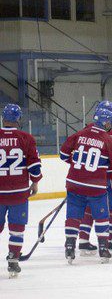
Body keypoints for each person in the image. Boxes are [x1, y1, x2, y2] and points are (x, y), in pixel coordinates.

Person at [60, 108, 112, 264]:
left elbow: (63, 154)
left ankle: (70, 246)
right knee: (101, 216)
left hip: (74, 183)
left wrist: (80, 167)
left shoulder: (79, 134)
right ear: (106, 122)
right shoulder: (107, 139)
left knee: (73, 216)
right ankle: (103, 248)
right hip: (95, 186)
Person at [0, 104, 42, 277]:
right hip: (19, 192)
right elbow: (34, 165)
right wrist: (35, 182)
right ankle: (13, 260)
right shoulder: (26, 138)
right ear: (18, 119)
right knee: (17, 228)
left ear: (3, 118)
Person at [77, 100, 112, 255]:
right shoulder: (107, 134)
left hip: (87, 177)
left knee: (89, 206)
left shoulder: (87, 129)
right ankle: (107, 240)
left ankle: (83, 240)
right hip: (107, 176)